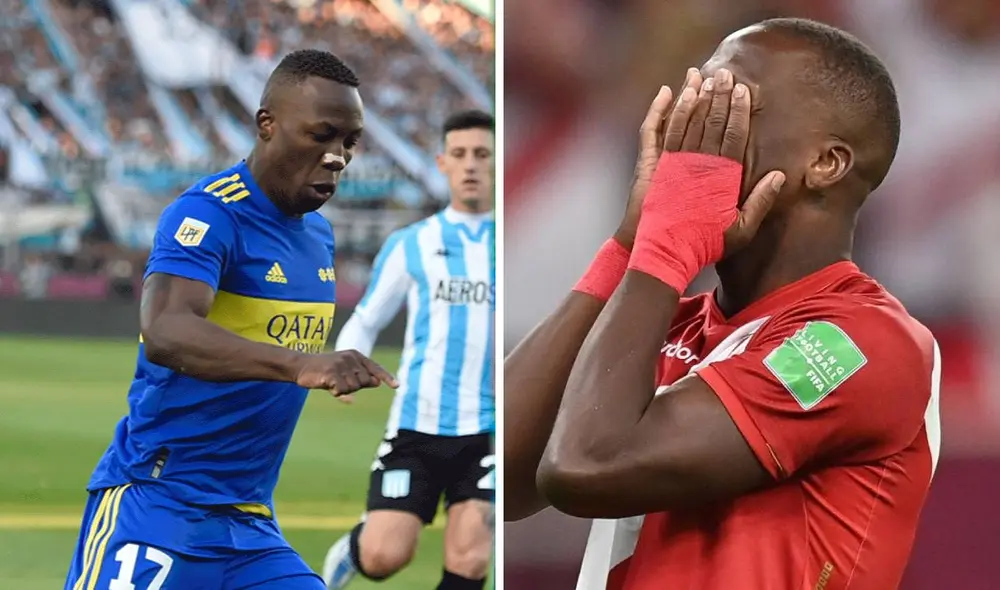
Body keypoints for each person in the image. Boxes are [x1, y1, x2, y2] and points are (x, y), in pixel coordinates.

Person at [505, 18, 941, 590]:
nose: (694, 131)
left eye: (731, 106)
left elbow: (587, 467)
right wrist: (630, 243)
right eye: (695, 96)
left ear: (826, 163)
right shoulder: (663, 321)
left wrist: (666, 246)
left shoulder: (860, 342)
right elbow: (498, 474)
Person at [64, 49, 398, 590]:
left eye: (350, 142)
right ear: (267, 124)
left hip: (248, 527)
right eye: (322, 134)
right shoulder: (208, 214)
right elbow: (166, 330)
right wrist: (300, 365)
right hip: (156, 507)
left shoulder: (319, 236)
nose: (337, 156)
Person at [322, 110, 496, 590]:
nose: (471, 165)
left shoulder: (515, 242)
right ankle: (352, 553)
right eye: (460, 155)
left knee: (471, 557)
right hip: (418, 423)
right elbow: (368, 316)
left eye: (482, 154)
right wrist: (347, 363)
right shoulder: (413, 243)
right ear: (442, 162)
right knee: (383, 555)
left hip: (490, 430)